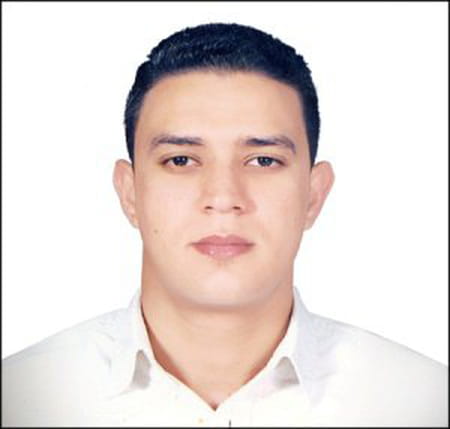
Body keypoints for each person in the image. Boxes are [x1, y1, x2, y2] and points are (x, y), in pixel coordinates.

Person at [2, 22, 447, 427]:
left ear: (313, 195)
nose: (222, 197)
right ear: (130, 192)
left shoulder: (423, 402)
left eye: (263, 160)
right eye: (181, 160)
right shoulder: (18, 399)